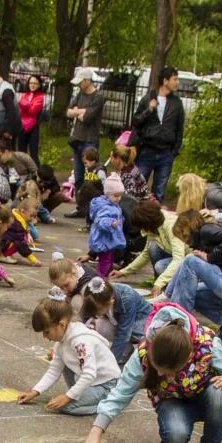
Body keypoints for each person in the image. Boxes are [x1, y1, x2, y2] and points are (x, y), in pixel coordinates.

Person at [84, 303, 222, 443]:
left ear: (189, 356)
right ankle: (171, 438)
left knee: (220, 392)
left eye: (168, 372)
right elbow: (120, 392)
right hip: (172, 401)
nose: (160, 375)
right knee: (176, 435)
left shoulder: (207, 344)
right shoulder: (143, 352)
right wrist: (96, 431)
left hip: (205, 399)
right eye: (158, 369)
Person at [19, 288, 120, 415]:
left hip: (106, 385)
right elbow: (54, 370)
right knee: (64, 364)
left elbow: (89, 374)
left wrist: (67, 397)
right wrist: (35, 391)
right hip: (93, 381)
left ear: (61, 325)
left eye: (47, 332)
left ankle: (108, 405)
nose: (45, 337)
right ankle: (82, 395)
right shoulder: (62, 340)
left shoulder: (80, 342)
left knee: (65, 407)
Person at [162, 211, 222, 344]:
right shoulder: (204, 238)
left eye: (183, 236)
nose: (185, 242)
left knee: (191, 260)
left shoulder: (205, 230)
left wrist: (210, 257)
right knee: (191, 292)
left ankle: (179, 325)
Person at [114, 198, 189, 292]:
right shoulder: (153, 227)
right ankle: (161, 283)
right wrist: (123, 272)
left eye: (142, 226)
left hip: (188, 259)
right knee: (152, 247)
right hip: (174, 255)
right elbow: (146, 253)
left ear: (148, 222)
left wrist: (160, 282)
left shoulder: (171, 226)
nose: (141, 229)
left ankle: (173, 286)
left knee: (160, 266)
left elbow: (179, 259)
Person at [132, 67, 185, 200]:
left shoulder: (177, 103)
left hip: (166, 154)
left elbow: (179, 129)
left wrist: (174, 152)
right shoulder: (148, 98)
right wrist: (149, 110)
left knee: (159, 193)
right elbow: (136, 122)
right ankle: (134, 217)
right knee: (137, 189)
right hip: (147, 151)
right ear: (165, 80)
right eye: (175, 79)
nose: (177, 82)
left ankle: (154, 218)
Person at [79, 272, 152, 363]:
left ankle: (125, 352)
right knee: (93, 324)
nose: (97, 314)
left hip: (142, 322)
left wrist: (110, 361)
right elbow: (84, 318)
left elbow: (123, 333)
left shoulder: (126, 298)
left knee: (123, 332)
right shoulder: (98, 295)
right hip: (120, 321)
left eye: (99, 311)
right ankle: (126, 350)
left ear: (111, 301)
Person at [65, 73, 105, 193]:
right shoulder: (80, 94)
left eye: (80, 82)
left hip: (90, 140)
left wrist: (77, 111)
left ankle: (90, 204)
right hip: (77, 139)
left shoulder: (98, 96)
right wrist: (80, 112)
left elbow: (88, 117)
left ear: (87, 81)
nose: (78, 84)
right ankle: (79, 204)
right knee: (78, 175)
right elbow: (68, 112)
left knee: (90, 176)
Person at [88, 176, 126, 279]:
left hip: (107, 239)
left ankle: (105, 277)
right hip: (104, 240)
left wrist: (120, 219)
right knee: (105, 261)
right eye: (116, 195)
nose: (118, 198)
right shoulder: (106, 206)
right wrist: (110, 223)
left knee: (109, 259)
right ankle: (100, 279)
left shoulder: (111, 203)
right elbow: (100, 220)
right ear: (107, 194)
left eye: (120, 195)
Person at [18, 73, 45, 164]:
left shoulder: (40, 97)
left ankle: (37, 174)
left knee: (33, 153)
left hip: (33, 127)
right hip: (22, 126)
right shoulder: (25, 95)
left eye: (35, 83)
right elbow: (20, 111)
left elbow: (33, 111)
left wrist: (24, 104)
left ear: (39, 85)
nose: (32, 85)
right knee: (21, 152)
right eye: (31, 83)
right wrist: (27, 105)